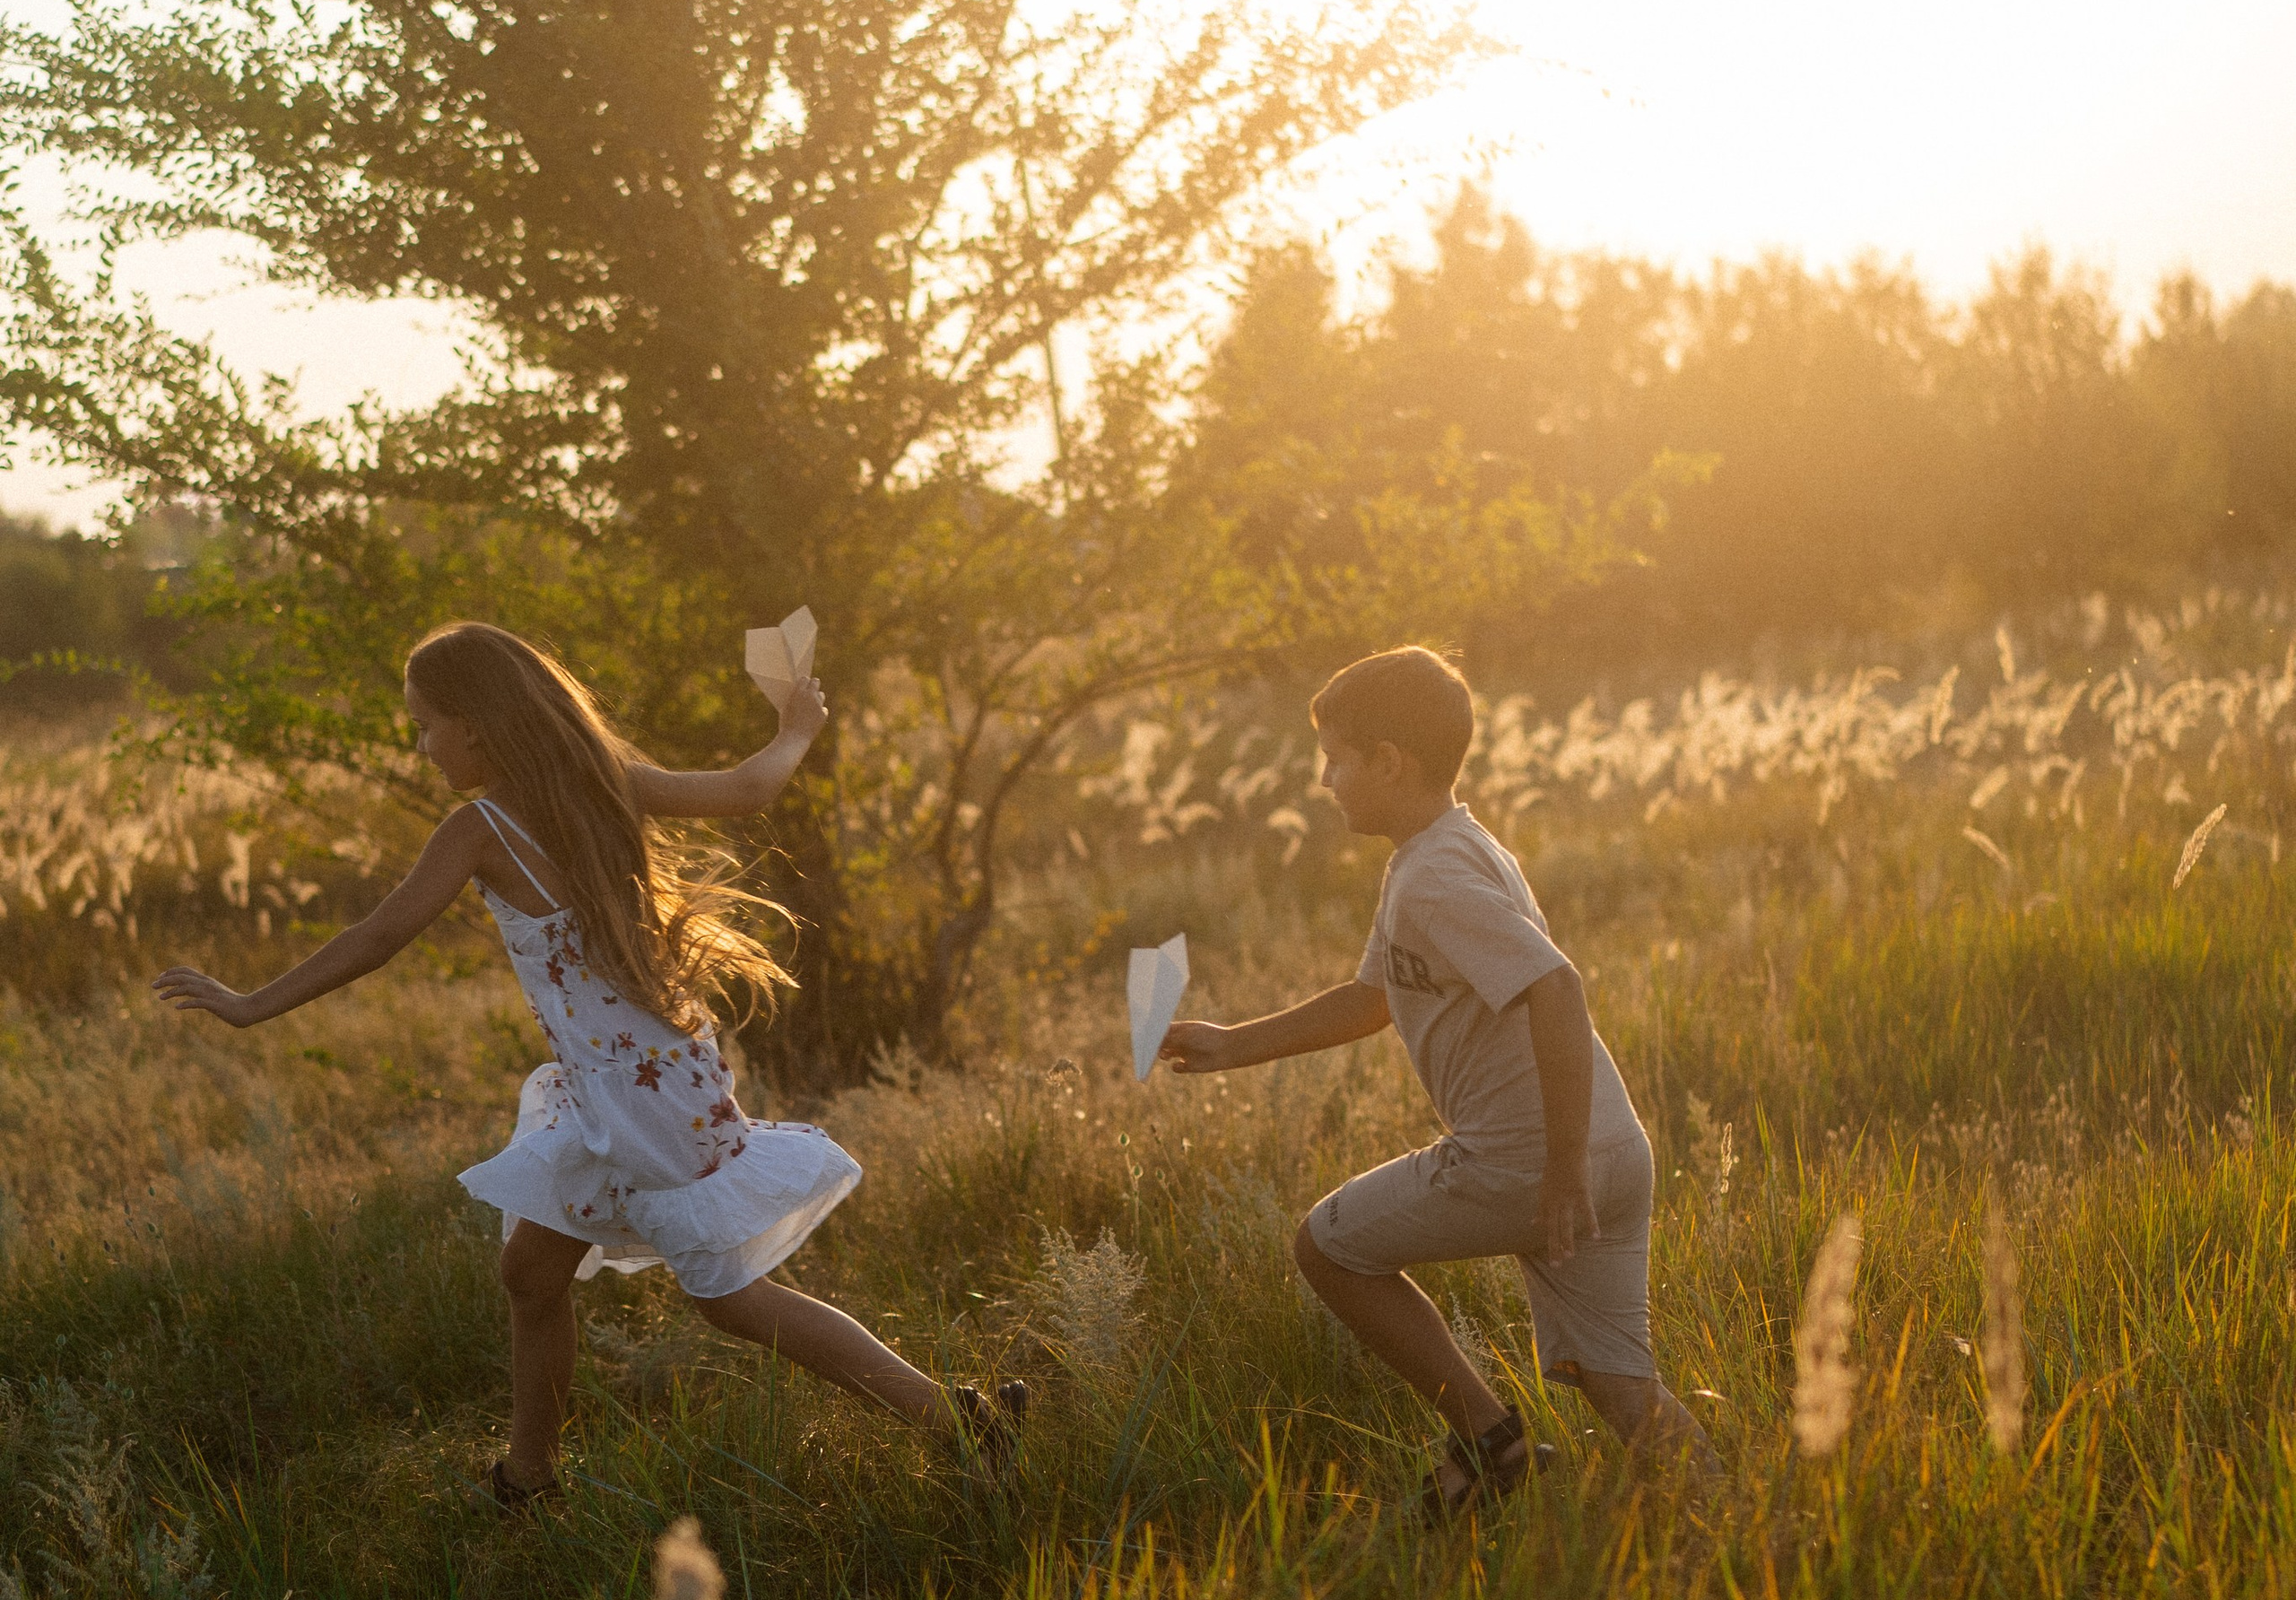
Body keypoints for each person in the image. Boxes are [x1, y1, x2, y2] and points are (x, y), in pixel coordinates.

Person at [153, 622, 1022, 1505]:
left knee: (729, 1299)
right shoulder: (608, 784)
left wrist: (252, 1003)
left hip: (638, 1104)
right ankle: (527, 1480)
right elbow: (752, 785)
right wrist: (795, 728)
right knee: (532, 1276)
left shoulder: (481, 828)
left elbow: (378, 936)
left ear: (475, 727)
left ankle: (957, 1419)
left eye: (425, 726)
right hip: (628, 1086)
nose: (421, 747)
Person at [1159, 644, 1708, 1516]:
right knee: (1617, 1384)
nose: (1324, 780)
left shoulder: (1434, 877)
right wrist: (1233, 1044)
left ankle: (1493, 1446)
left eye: (1335, 759)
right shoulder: (1448, 848)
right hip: (1610, 1146)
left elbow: (1557, 988)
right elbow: (1372, 998)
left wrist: (1559, 1167)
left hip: (1530, 1160)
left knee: (1327, 1248)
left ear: (1389, 762)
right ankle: (1739, 1519)